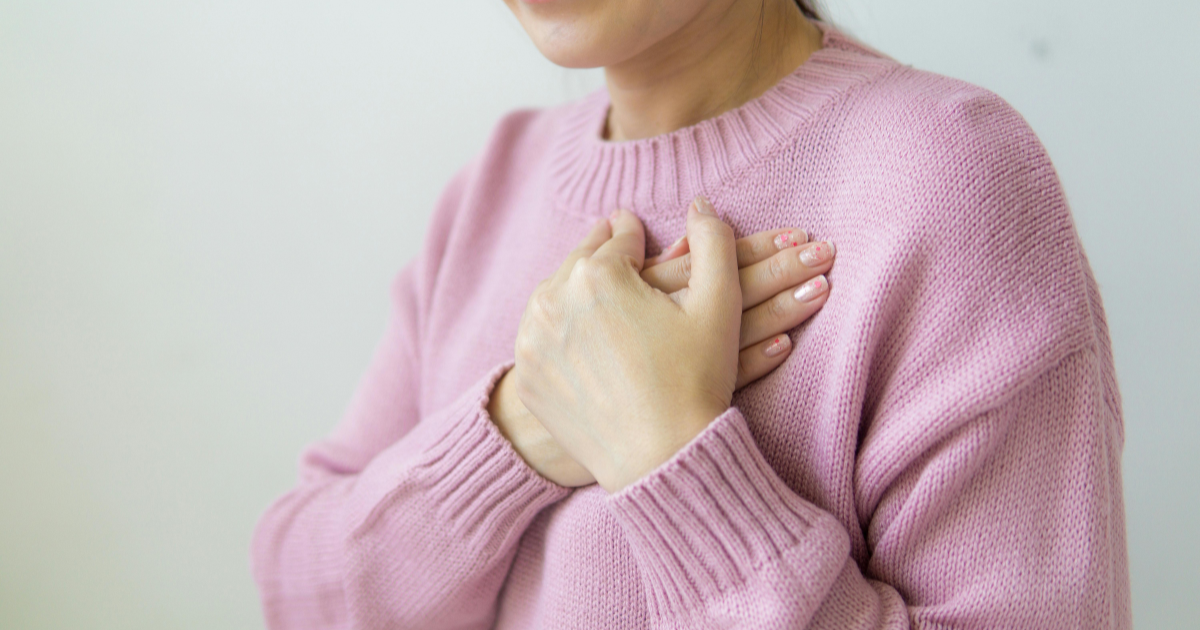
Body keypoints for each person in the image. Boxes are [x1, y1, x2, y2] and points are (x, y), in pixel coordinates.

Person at [250, 1, 1131, 628]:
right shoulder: (496, 181)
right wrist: (522, 426)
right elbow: (300, 588)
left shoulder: (946, 175)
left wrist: (671, 455)